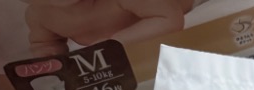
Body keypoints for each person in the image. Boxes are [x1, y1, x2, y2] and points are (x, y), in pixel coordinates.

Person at [23, 0, 194, 58]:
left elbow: (169, 19)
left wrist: (114, 43)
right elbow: (44, 44)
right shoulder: (38, 14)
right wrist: (51, 59)